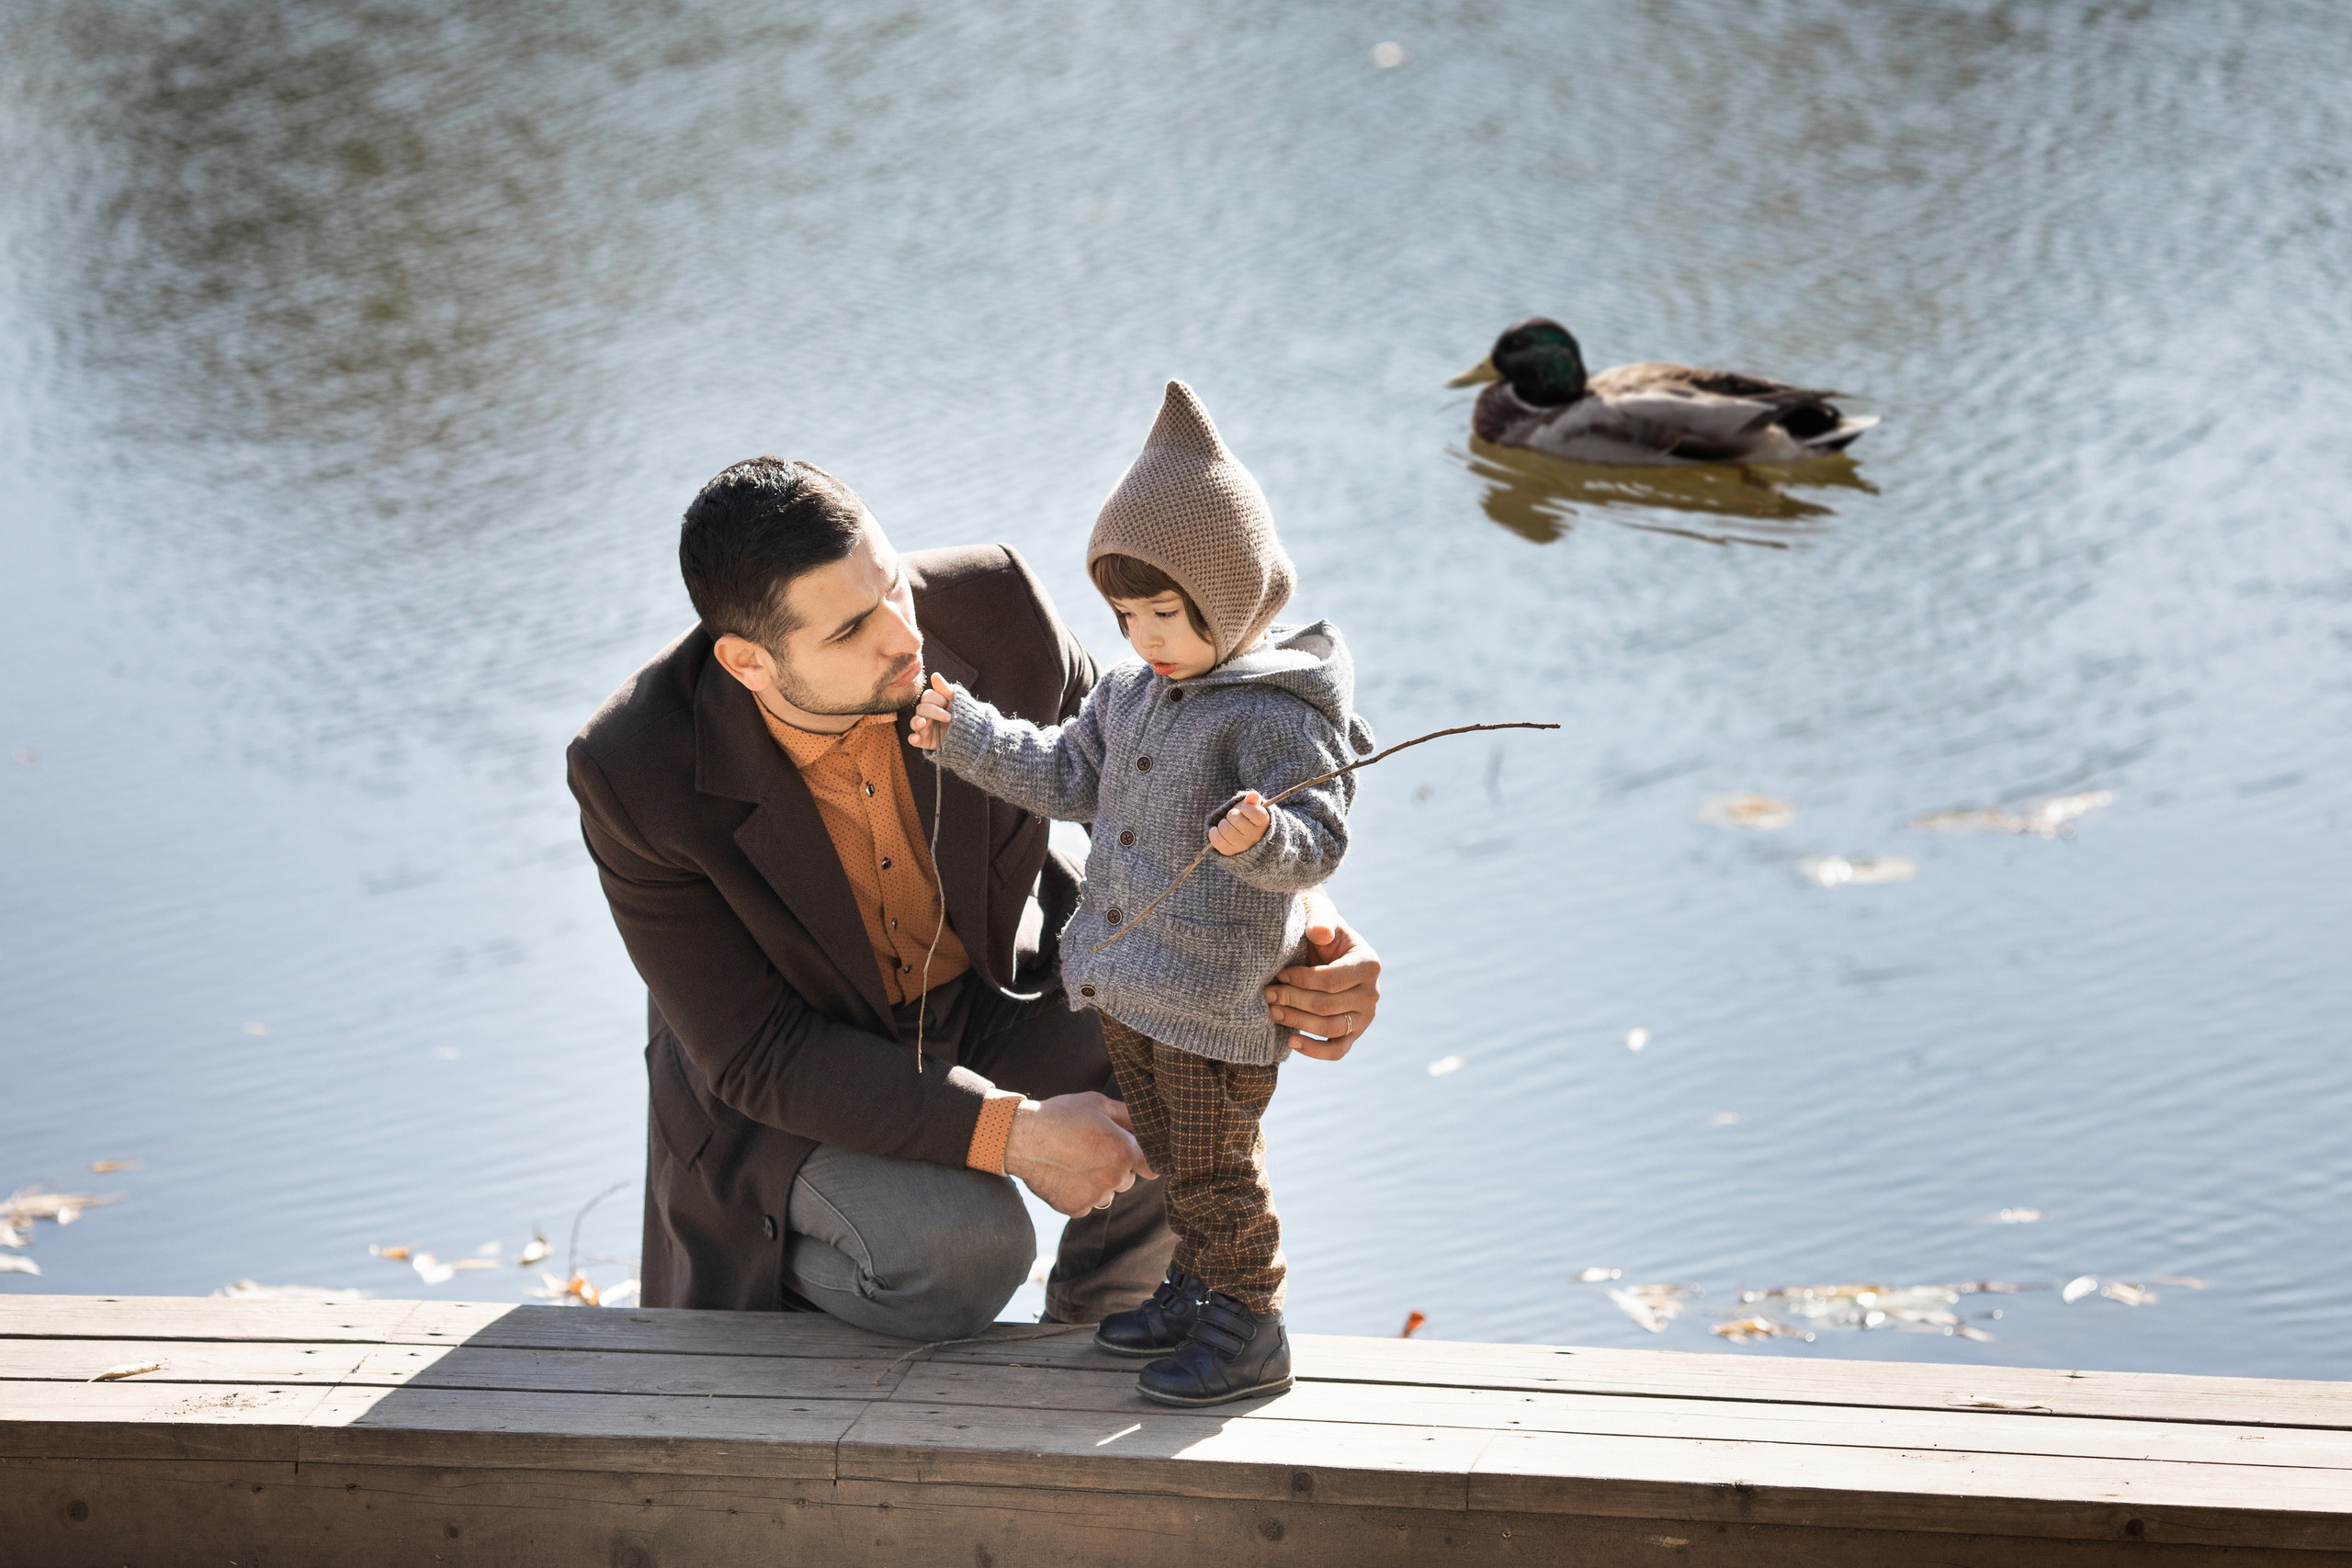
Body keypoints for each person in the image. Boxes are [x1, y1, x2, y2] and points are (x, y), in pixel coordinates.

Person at [567, 455, 1384, 1338]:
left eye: (890, 587)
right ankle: (806, 1297)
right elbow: (761, 1051)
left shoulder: (995, 607)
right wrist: (1020, 1135)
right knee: (963, 1247)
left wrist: (1309, 918)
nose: (902, 638)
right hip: (792, 1085)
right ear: (748, 663)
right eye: (849, 631)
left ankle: (1098, 1343)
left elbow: (1170, 764)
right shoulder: (632, 769)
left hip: (990, 999)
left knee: (1188, 1061)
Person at [910, 380, 1363, 1405]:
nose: (1145, 635)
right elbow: (1066, 774)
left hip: (1212, 1001)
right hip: (1133, 989)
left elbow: (1318, 840)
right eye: (1126, 615)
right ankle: (1194, 1289)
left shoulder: (1273, 714)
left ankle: (1251, 1321)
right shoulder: (1128, 692)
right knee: (1166, 1152)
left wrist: (1263, 836)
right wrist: (967, 732)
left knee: (1214, 1168)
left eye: (1167, 613)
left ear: (1236, 598)